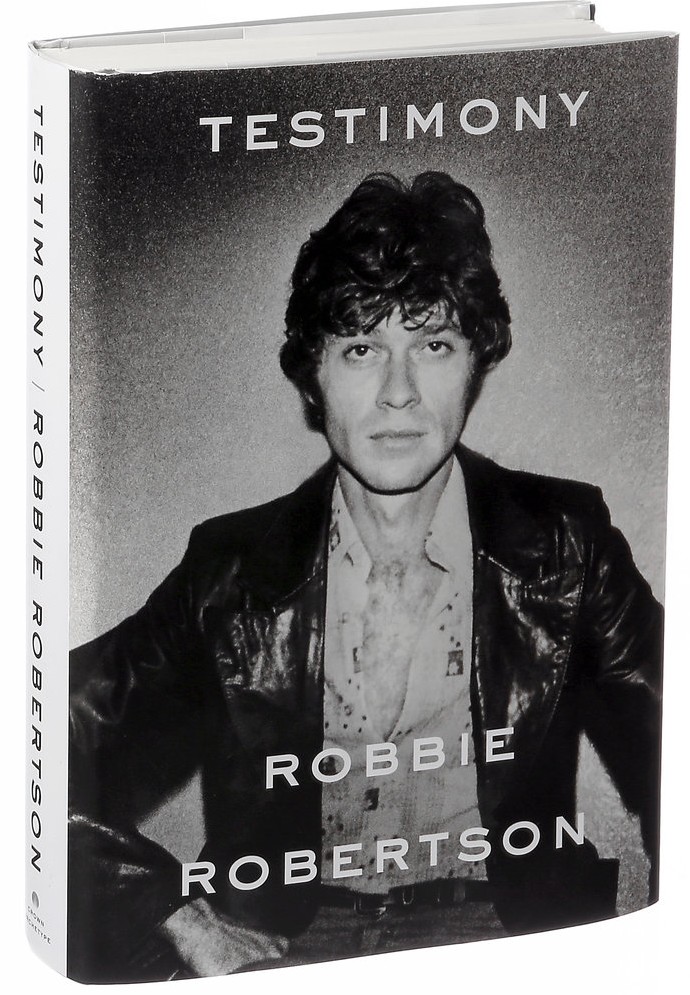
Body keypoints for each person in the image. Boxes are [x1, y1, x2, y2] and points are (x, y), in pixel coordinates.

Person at [67, 172, 662, 983]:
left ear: (475, 363)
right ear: (313, 374)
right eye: (360, 348)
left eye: (434, 345)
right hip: (288, 944)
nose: (398, 393)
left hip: (502, 933)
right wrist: (175, 912)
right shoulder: (229, 573)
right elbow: (33, 745)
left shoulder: (567, 543)